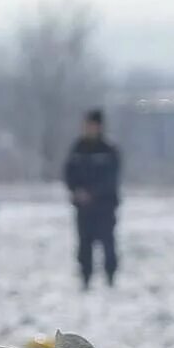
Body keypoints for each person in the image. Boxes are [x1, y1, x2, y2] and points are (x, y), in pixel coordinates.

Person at [63, 109, 122, 288]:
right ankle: (85, 277)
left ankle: (110, 276)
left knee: (108, 244)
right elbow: (68, 173)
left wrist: (93, 192)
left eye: (92, 125)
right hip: (83, 208)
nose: (89, 128)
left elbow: (111, 178)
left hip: (104, 206)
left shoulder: (109, 150)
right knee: (84, 245)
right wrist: (76, 191)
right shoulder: (78, 148)